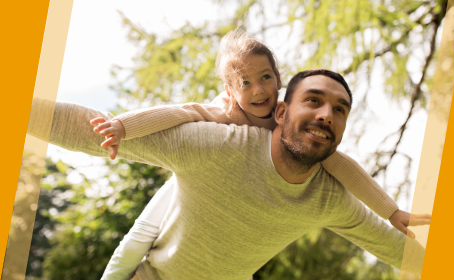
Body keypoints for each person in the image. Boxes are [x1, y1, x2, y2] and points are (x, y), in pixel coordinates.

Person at [88, 31, 430, 278]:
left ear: (278, 79)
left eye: (265, 77)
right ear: (229, 91)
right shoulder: (224, 118)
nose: (258, 90)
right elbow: (178, 113)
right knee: (137, 239)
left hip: (232, 210)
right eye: (244, 83)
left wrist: (391, 211)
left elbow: (345, 167)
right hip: (196, 181)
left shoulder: (296, 129)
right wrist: (121, 126)